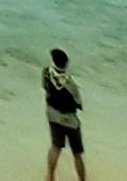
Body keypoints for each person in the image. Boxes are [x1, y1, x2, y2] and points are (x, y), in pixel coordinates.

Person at [42, 48, 86, 181]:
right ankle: (82, 179)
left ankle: (50, 177)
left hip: (52, 115)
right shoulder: (69, 82)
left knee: (55, 147)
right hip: (69, 120)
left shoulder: (46, 73)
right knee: (77, 153)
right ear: (65, 63)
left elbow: (45, 88)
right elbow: (78, 103)